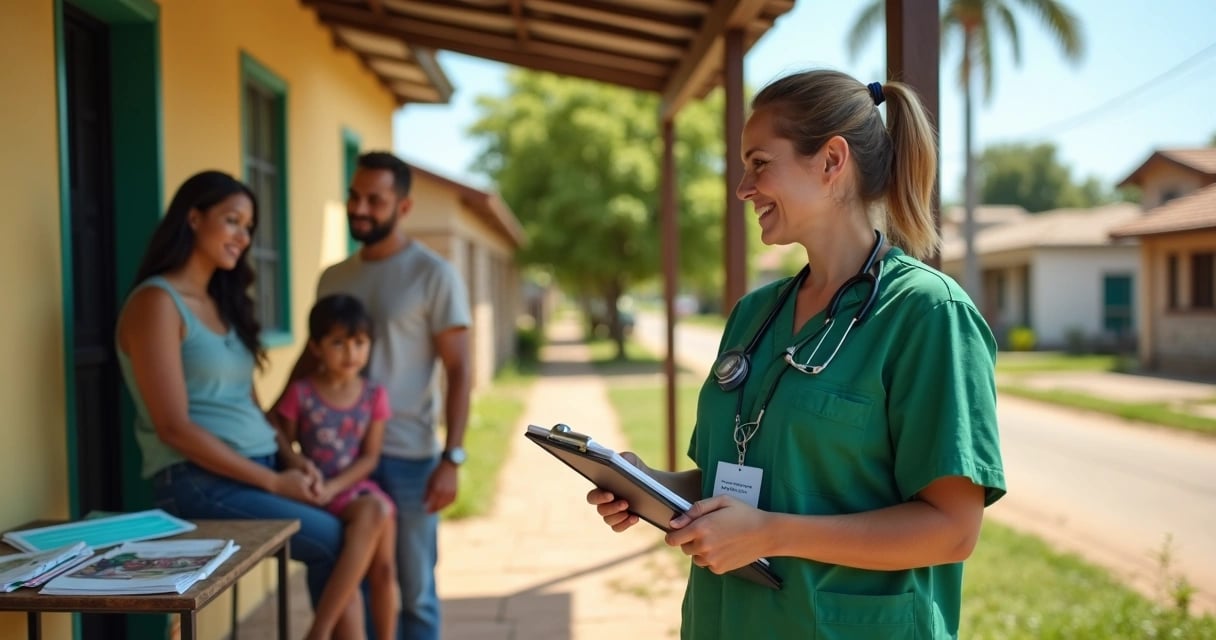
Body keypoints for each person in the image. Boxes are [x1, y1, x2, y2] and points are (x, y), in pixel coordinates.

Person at [588, 70, 1006, 639]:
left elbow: (953, 530)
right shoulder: (753, 316)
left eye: (759, 163)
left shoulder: (927, 315)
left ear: (832, 160)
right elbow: (743, 484)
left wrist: (772, 534)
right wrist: (650, 488)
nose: (742, 187)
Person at [115, 170, 364, 639]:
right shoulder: (157, 304)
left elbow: (251, 407)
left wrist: (295, 461)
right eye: (231, 221)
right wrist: (275, 480)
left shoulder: (221, 303)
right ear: (193, 218)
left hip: (261, 467)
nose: (242, 237)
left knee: (364, 526)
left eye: (248, 227)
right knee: (333, 539)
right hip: (198, 480)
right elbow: (173, 427)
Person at [295, 150, 472, 640]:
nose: (361, 208)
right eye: (355, 196)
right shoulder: (333, 277)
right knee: (340, 588)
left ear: (404, 207)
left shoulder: (433, 274)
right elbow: (312, 359)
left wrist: (452, 457)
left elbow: (459, 369)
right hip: (335, 461)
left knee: (412, 593)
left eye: (375, 199)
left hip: (408, 457)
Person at [275, 293, 399, 640]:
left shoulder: (374, 395)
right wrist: (298, 463)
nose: (350, 353)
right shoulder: (301, 393)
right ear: (315, 347)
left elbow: (370, 457)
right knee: (372, 520)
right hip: (314, 491)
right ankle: (322, 630)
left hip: (350, 487)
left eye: (359, 343)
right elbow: (281, 440)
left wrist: (336, 486)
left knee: (385, 569)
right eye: (338, 343)